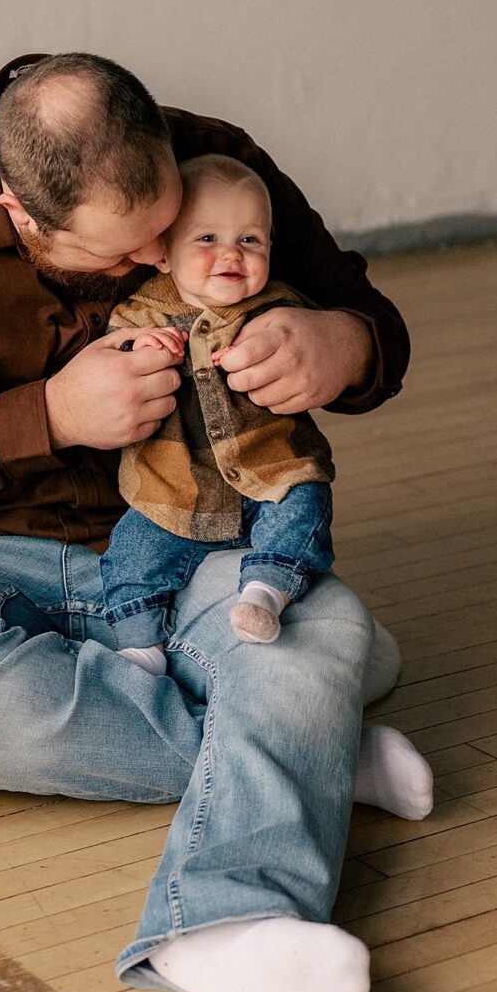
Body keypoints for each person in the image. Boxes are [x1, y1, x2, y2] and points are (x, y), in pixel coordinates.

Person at [0, 51, 434, 992]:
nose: (152, 265)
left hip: (191, 531)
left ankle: (220, 922)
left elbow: (373, 326)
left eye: (164, 234)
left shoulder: (218, 161)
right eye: (121, 254)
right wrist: (45, 413)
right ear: (19, 211)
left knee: (326, 625)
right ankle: (304, 746)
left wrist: (337, 345)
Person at [100, 154, 337, 664]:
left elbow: (308, 351)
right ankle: (139, 645)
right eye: (206, 239)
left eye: (249, 239)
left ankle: (265, 593)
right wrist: (139, 351)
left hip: (269, 470)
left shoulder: (278, 308)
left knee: (305, 503)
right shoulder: (140, 313)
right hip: (172, 488)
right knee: (130, 551)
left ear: (270, 247)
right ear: (162, 252)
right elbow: (111, 365)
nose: (230, 253)